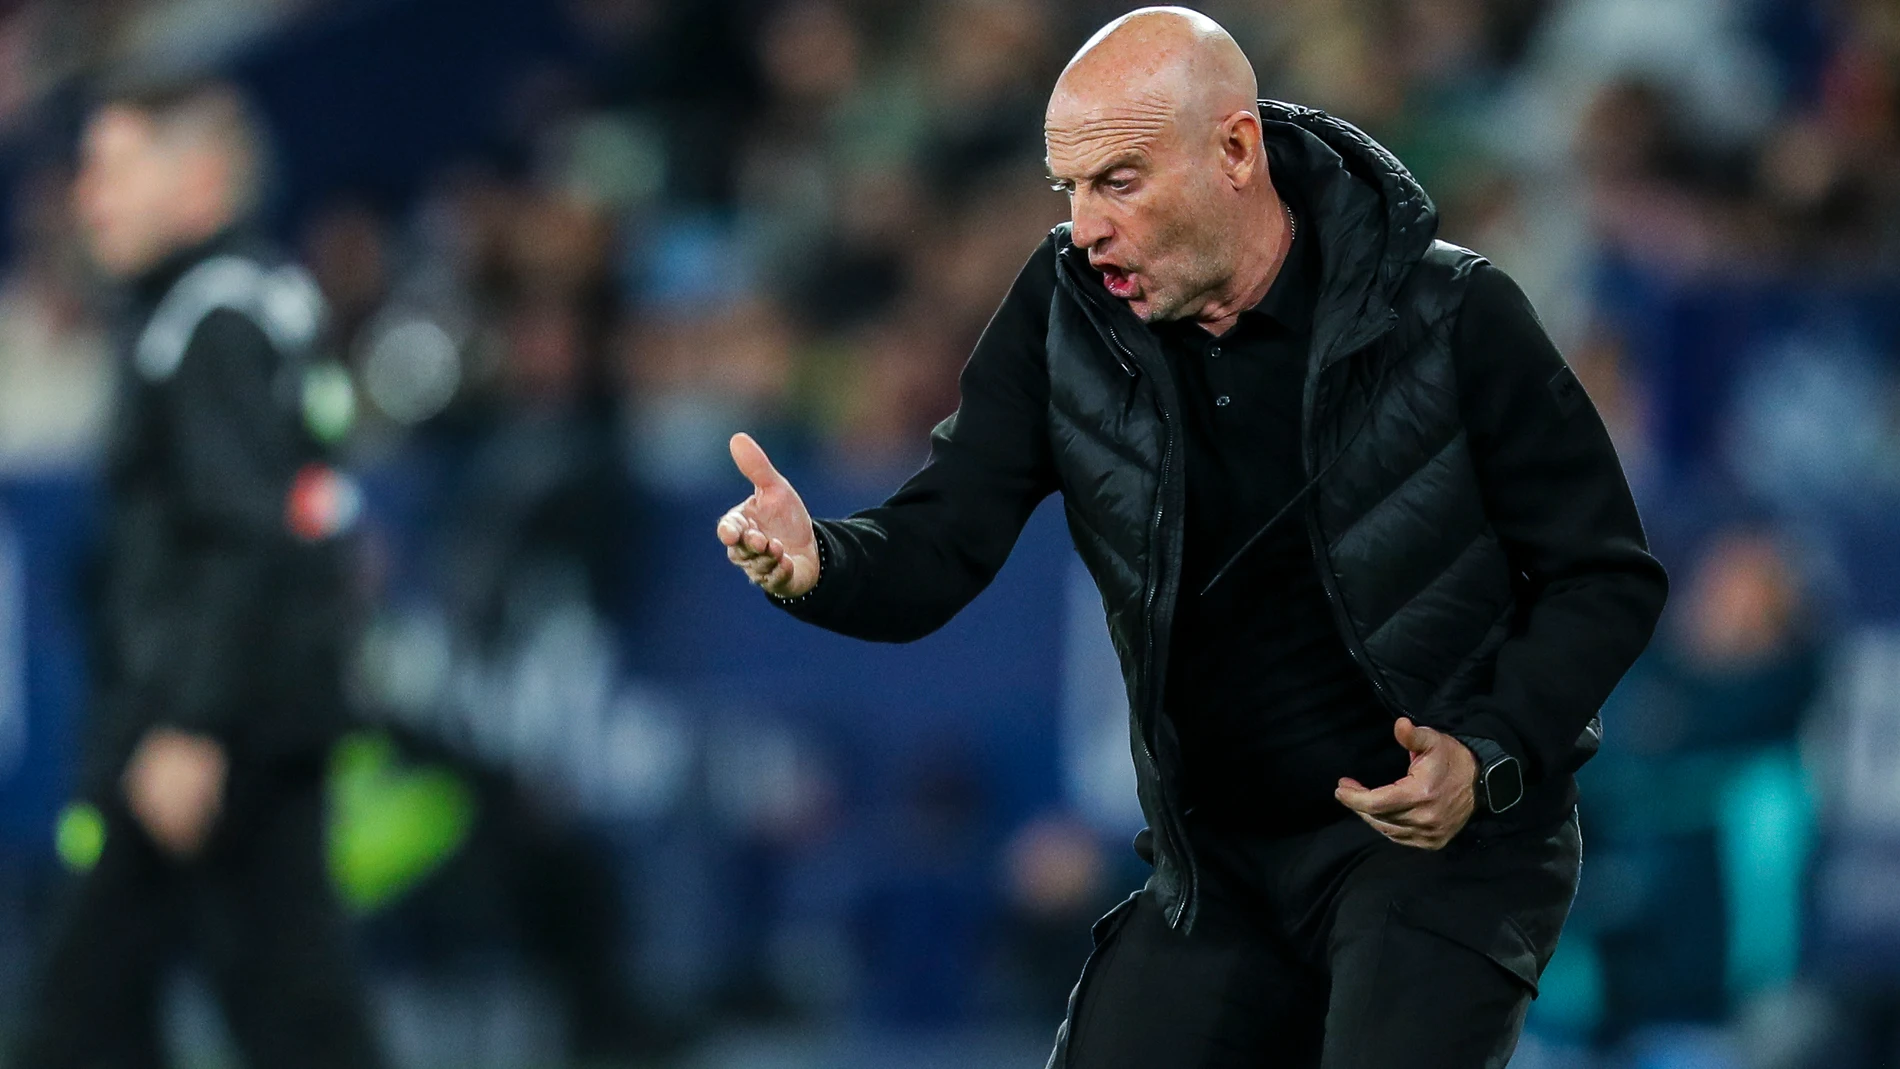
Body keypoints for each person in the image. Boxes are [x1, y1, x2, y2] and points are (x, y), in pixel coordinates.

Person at [716, 8, 1668, 1068]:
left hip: (1440, 844)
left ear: (1234, 151)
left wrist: (1486, 757)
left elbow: (1604, 578)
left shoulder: (1454, 314)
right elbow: (943, 540)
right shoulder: (1063, 314)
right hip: (1219, 866)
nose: (1084, 228)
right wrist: (819, 563)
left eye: (1117, 181)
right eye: (1067, 188)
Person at [11, 77, 385, 1069]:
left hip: (209, 732)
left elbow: (240, 536)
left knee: (85, 1011)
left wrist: (189, 722)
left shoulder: (207, 322)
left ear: (200, 180)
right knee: (280, 1006)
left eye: (113, 169)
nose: (89, 198)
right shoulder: (255, 298)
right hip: (254, 717)